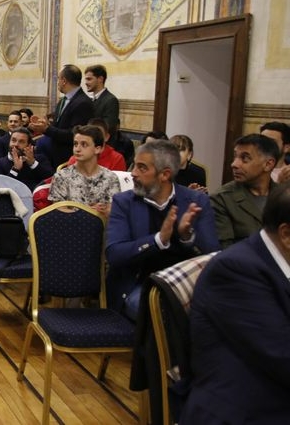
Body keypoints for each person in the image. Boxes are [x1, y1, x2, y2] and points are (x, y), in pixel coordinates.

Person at [183, 183, 290, 423]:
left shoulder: (275, 258)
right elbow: (282, 354)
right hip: (247, 410)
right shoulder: (236, 271)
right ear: (286, 234)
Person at [106, 139, 219, 321]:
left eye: (142, 168)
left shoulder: (196, 201)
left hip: (185, 283)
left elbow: (211, 254)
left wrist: (186, 236)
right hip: (140, 283)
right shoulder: (124, 202)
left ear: (164, 174)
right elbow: (115, 254)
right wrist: (158, 240)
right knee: (161, 310)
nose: (133, 173)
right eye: (134, 165)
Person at [211, 134, 280, 248]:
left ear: (268, 164)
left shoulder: (283, 196)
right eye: (235, 157)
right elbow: (225, 251)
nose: (234, 164)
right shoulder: (222, 199)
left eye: (245, 158)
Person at [29, 64, 94, 167]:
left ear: (64, 81)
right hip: (52, 152)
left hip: (64, 157)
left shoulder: (83, 103)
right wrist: (44, 124)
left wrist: (47, 129)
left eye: (58, 79)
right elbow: (58, 126)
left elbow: (74, 134)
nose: (57, 82)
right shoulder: (63, 100)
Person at [48, 125, 120, 217]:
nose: (77, 149)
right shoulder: (62, 176)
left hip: (101, 228)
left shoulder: (110, 177)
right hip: (70, 227)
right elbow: (58, 210)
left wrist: (105, 211)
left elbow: (113, 211)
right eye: (75, 144)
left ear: (98, 149)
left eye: (84, 144)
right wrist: (87, 212)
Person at [0, 128, 53, 192]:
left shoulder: (40, 159)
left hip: (33, 198)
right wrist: (15, 169)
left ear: (28, 145)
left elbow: (50, 180)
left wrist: (33, 163)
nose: (16, 144)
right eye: (13, 140)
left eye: (21, 142)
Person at [84, 64, 119, 130]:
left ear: (100, 79)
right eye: (86, 79)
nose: (86, 83)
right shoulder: (88, 99)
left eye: (89, 79)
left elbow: (108, 127)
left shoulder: (111, 100)